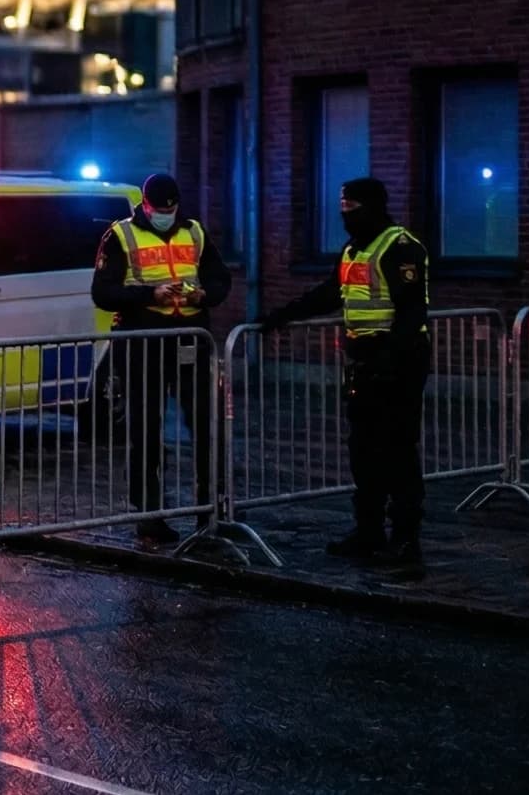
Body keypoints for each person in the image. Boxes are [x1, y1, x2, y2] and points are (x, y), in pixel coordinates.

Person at [257, 177, 431, 565]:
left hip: (399, 362)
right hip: (364, 361)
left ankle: (406, 539)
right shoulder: (353, 250)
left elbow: (411, 311)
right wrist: (281, 316)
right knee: (364, 450)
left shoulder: (399, 247)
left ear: (372, 206)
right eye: (343, 209)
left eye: (352, 209)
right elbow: (328, 293)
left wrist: (389, 359)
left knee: (398, 450)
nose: (346, 216)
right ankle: (368, 531)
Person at [90, 173, 232, 543]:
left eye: (171, 208)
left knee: (207, 426)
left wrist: (205, 296)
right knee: (145, 431)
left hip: (191, 338)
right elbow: (103, 293)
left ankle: (213, 508)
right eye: (159, 209)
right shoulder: (121, 235)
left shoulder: (195, 232)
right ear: (145, 205)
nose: (166, 215)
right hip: (144, 340)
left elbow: (220, 279)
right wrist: (150, 294)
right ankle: (148, 515)